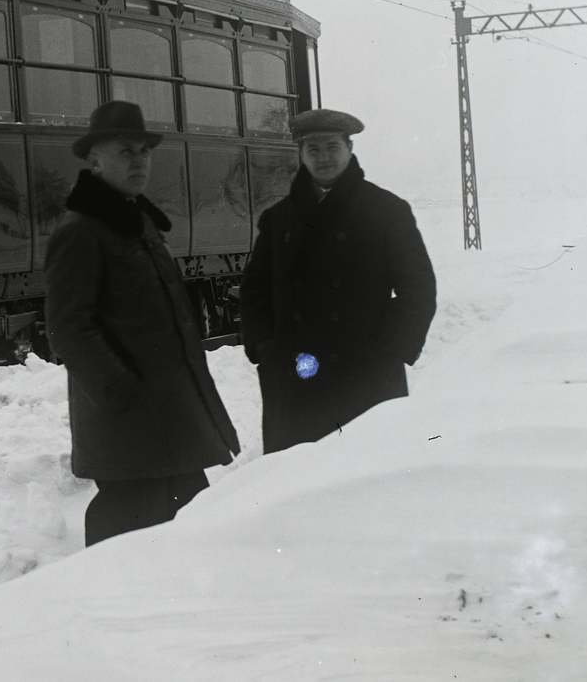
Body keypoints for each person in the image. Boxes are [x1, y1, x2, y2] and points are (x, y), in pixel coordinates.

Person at [44, 101, 241, 546]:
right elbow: (67, 327)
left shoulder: (138, 222)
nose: (139, 160)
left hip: (168, 416)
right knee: (128, 536)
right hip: (130, 423)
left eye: (144, 151)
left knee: (188, 527)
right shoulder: (80, 230)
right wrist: (120, 391)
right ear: (94, 159)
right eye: (126, 151)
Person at [239, 109, 437, 454]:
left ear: (349, 149)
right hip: (293, 378)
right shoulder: (278, 218)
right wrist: (264, 349)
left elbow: (418, 288)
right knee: (295, 486)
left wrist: (388, 351)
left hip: (364, 375)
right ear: (301, 155)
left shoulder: (386, 210)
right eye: (313, 149)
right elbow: (255, 289)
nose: (323, 157)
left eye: (332, 147)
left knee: (364, 482)